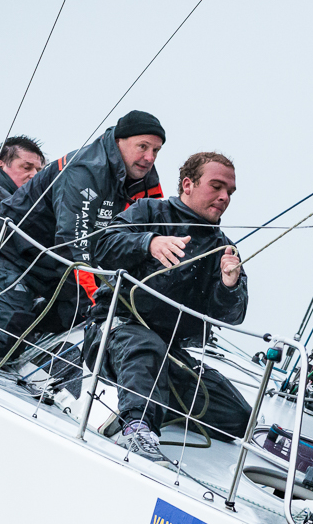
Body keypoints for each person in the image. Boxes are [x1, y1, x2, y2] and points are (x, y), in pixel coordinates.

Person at [84, 151, 251, 462]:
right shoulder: (149, 211)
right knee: (144, 347)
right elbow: (101, 247)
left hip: (170, 352)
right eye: (216, 186)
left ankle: (153, 401)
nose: (225, 197)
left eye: (230, 191)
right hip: (116, 332)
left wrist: (229, 285)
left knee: (237, 415)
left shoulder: (223, 248)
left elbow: (232, 315)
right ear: (188, 184)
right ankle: (137, 427)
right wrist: (148, 243)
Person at [0, 110, 166, 359]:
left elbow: (148, 231)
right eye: (143, 146)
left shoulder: (145, 182)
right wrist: (97, 300)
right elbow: (73, 240)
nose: (149, 157)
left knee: (78, 313)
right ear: (119, 141)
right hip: (12, 251)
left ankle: (27, 341)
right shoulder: (84, 169)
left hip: (52, 263)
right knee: (1, 335)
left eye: (156, 151)